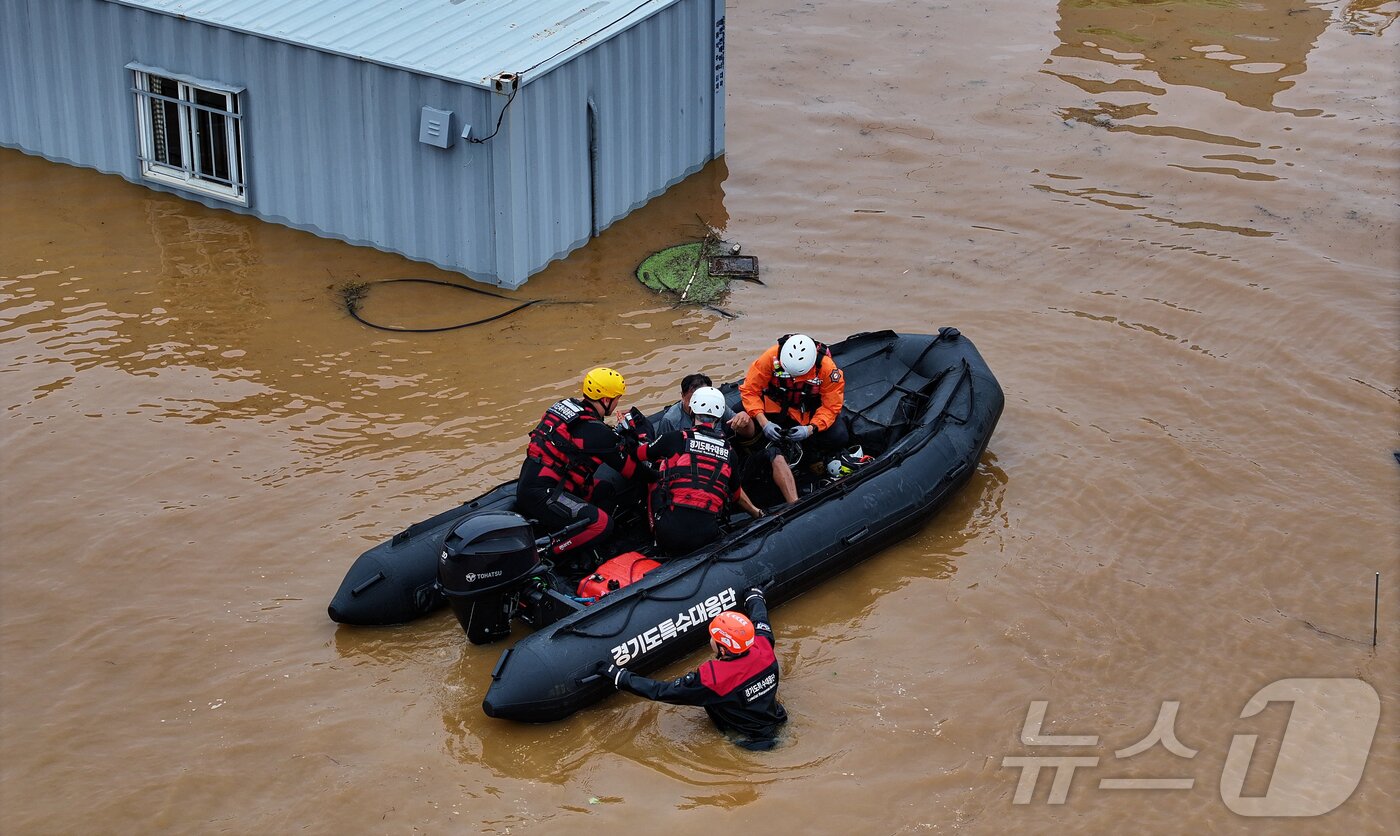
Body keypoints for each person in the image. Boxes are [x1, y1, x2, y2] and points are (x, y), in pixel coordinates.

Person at [602, 586, 786, 750]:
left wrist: (621, 678)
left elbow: (662, 691)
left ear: (722, 648)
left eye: (714, 637)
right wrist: (755, 597)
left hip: (747, 740)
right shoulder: (763, 646)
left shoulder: (713, 678)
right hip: (778, 719)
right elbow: (761, 621)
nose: (711, 640)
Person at [516, 367, 646, 557]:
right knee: (601, 524)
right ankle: (545, 554)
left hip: (538, 481)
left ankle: (590, 548)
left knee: (604, 490)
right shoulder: (597, 432)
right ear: (606, 399)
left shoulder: (566, 407)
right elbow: (632, 472)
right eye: (617, 398)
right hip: (543, 494)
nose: (618, 402)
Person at [645, 386, 763, 556]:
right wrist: (758, 514)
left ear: (692, 409)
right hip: (707, 536)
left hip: (669, 535)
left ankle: (655, 540)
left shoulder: (676, 437)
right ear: (720, 414)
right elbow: (736, 495)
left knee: (653, 478)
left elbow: (640, 454)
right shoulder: (730, 451)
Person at [739, 333, 848, 504]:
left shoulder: (827, 369)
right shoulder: (771, 357)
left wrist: (810, 429)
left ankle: (812, 456)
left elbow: (831, 406)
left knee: (839, 435)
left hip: (808, 414)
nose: (793, 379)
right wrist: (763, 422)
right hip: (774, 409)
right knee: (741, 414)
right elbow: (750, 390)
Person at [652, 373, 756, 440]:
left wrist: (745, 421)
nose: (698, 407)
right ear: (683, 396)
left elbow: (749, 433)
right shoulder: (671, 420)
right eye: (694, 400)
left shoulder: (717, 406)